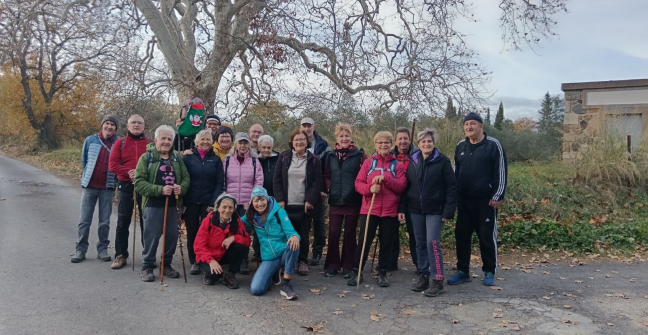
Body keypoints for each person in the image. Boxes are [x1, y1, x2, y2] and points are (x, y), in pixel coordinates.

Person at [448, 112, 507, 287]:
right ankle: (462, 271)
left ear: (481, 126)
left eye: (473, 124)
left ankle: (489, 271)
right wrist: (454, 198)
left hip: (486, 202)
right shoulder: (460, 146)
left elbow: (501, 172)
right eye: (466, 124)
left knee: (486, 237)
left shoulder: (493, 145)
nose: (469, 127)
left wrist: (497, 196)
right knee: (461, 236)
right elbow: (454, 174)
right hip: (464, 201)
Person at [399, 128, 457, 297]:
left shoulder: (442, 161)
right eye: (423, 141)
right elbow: (406, 187)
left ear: (433, 143)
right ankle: (423, 275)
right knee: (420, 242)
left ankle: (437, 279)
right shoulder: (412, 161)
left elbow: (452, 187)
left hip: (435, 210)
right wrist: (402, 208)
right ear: (418, 144)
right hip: (415, 209)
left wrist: (448, 210)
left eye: (429, 141)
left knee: (432, 242)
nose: (426, 144)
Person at [348, 131, 406, 287]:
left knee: (386, 242)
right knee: (364, 241)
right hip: (369, 209)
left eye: (386, 142)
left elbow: (402, 186)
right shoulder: (369, 163)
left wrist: (386, 178)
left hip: (389, 210)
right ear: (375, 145)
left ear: (391, 144)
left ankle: (382, 272)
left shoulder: (397, 165)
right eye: (380, 142)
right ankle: (357, 271)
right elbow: (358, 183)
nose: (383, 145)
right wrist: (369, 188)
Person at [134, 125, 191, 282]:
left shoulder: (177, 158)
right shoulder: (146, 158)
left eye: (169, 139)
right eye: (163, 138)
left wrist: (181, 188)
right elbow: (138, 182)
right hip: (152, 205)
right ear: (156, 139)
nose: (166, 142)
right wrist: (160, 189)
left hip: (174, 205)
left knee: (172, 236)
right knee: (151, 236)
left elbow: (186, 178)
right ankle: (147, 266)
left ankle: (166, 264)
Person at [273, 129, 324, 276]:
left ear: (307, 142)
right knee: (285, 234)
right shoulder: (283, 157)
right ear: (292, 142)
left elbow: (317, 182)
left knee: (303, 235)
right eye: (296, 140)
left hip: (305, 205)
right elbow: (276, 180)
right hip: (286, 204)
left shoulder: (313, 159)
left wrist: (310, 199)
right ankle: (287, 260)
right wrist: (280, 199)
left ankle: (302, 261)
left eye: (302, 139)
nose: (299, 142)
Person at [72, 115, 120, 263]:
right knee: (84, 220)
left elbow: (120, 163)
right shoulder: (90, 140)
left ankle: (102, 250)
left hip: (108, 188)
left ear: (115, 128)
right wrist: (86, 176)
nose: (109, 126)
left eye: (112, 124)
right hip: (90, 186)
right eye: (107, 123)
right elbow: (84, 161)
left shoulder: (119, 143)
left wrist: (116, 181)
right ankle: (80, 250)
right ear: (102, 125)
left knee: (104, 221)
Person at [322, 123, 366, 278]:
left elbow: (364, 175)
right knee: (333, 233)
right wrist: (329, 188)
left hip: (353, 199)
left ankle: (348, 266)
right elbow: (327, 175)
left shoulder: (359, 155)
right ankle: (332, 265)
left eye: (347, 135)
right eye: (341, 136)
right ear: (337, 138)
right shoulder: (330, 155)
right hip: (335, 200)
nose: (344, 138)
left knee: (349, 234)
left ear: (351, 137)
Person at [243, 186, 300, 300]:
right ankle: (274, 272)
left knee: (293, 243)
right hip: (269, 257)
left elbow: (290, 231)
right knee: (256, 290)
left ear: (267, 199)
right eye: (256, 200)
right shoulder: (251, 216)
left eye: (262, 199)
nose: (260, 203)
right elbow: (237, 223)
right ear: (252, 202)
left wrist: (294, 236)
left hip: (284, 252)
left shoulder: (279, 212)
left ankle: (286, 284)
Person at [108, 114, 149, 269]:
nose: (137, 125)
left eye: (140, 123)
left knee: (147, 220)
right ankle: (120, 255)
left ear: (144, 126)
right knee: (123, 221)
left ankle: (148, 254)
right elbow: (112, 165)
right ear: (128, 126)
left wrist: (140, 174)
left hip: (145, 187)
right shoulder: (120, 143)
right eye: (133, 123)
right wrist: (128, 171)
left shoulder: (150, 144)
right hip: (126, 186)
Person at [182, 129, 224, 276]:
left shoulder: (216, 160)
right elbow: (182, 178)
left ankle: (205, 260)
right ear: (197, 142)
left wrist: (213, 202)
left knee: (207, 232)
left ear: (212, 142)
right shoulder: (187, 158)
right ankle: (194, 261)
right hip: (191, 201)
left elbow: (219, 183)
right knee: (192, 231)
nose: (205, 142)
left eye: (208, 139)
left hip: (208, 202)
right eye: (202, 139)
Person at [223, 132, 264, 274]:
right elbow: (223, 181)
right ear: (235, 144)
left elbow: (258, 182)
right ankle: (231, 259)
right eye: (240, 142)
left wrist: (253, 201)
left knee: (245, 232)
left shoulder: (254, 161)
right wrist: (225, 200)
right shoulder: (227, 160)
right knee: (230, 231)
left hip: (247, 203)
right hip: (231, 203)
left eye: (245, 143)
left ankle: (244, 260)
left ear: (249, 145)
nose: (242, 145)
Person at [193, 193, 250, 289]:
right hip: (208, 256)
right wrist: (211, 261)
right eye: (224, 207)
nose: (227, 210)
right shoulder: (208, 221)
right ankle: (213, 273)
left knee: (241, 246)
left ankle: (230, 274)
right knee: (214, 276)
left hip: (223, 254)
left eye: (230, 207)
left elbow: (247, 241)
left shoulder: (237, 221)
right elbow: (198, 246)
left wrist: (234, 238)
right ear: (218, 208)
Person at [299, 117, 329, 266]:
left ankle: (317, 252)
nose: (306, 128)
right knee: (303, 223)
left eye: (309, 125)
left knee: (319, 223)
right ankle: (300, 253)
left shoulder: (323, 145)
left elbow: (326, 169)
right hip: (299, 190)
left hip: (318, 190)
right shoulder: (296, 143)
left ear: (314, 127)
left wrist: (324, 189)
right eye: (304, 126)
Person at [389, 127, 419, 271]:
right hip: (394, 198)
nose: (403, 141)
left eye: (405, 138)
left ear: (410, 140)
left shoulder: (418, 156)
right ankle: (390, 262)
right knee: (391, 232)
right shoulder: (389, 155)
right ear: (396, 141)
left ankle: (420, 264)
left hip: (412, 198)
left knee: (415, 232)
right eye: (400, 139)